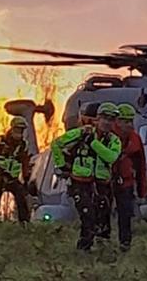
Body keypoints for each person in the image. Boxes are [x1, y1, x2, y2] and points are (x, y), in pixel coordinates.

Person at [51, 102, 122, 252]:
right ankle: (83, 249)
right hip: (80, 182)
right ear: (98, 118)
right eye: (105, 118)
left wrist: (93, 143)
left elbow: (111, 157)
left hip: (102, 184)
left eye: (111, 119)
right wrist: (62, 165)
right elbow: (57, 144)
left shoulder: (115, 141)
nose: (107, 122)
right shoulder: (82, 133)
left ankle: (103, 249)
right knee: (87, 215)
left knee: (103, 218)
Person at [0, 116, 32, 222]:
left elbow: (25, 162)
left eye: (21, 130)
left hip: (13, 178)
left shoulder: (23, 145)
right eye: (17, 129)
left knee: (21, 197)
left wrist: (26, 178)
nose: (19, 132)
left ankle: (24, 223)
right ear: (12, 128)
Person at [111, 103, 147, 252]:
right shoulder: (107, 136)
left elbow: (141, 167)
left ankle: (125, 244)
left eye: (131, 121)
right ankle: (102, 241)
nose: (129, 125)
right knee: (101, 214)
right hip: (105, 181)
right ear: (117, 121)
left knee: (126, 215)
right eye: (125, 121)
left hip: (126, 183)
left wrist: (142, 191)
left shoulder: (135, 139)